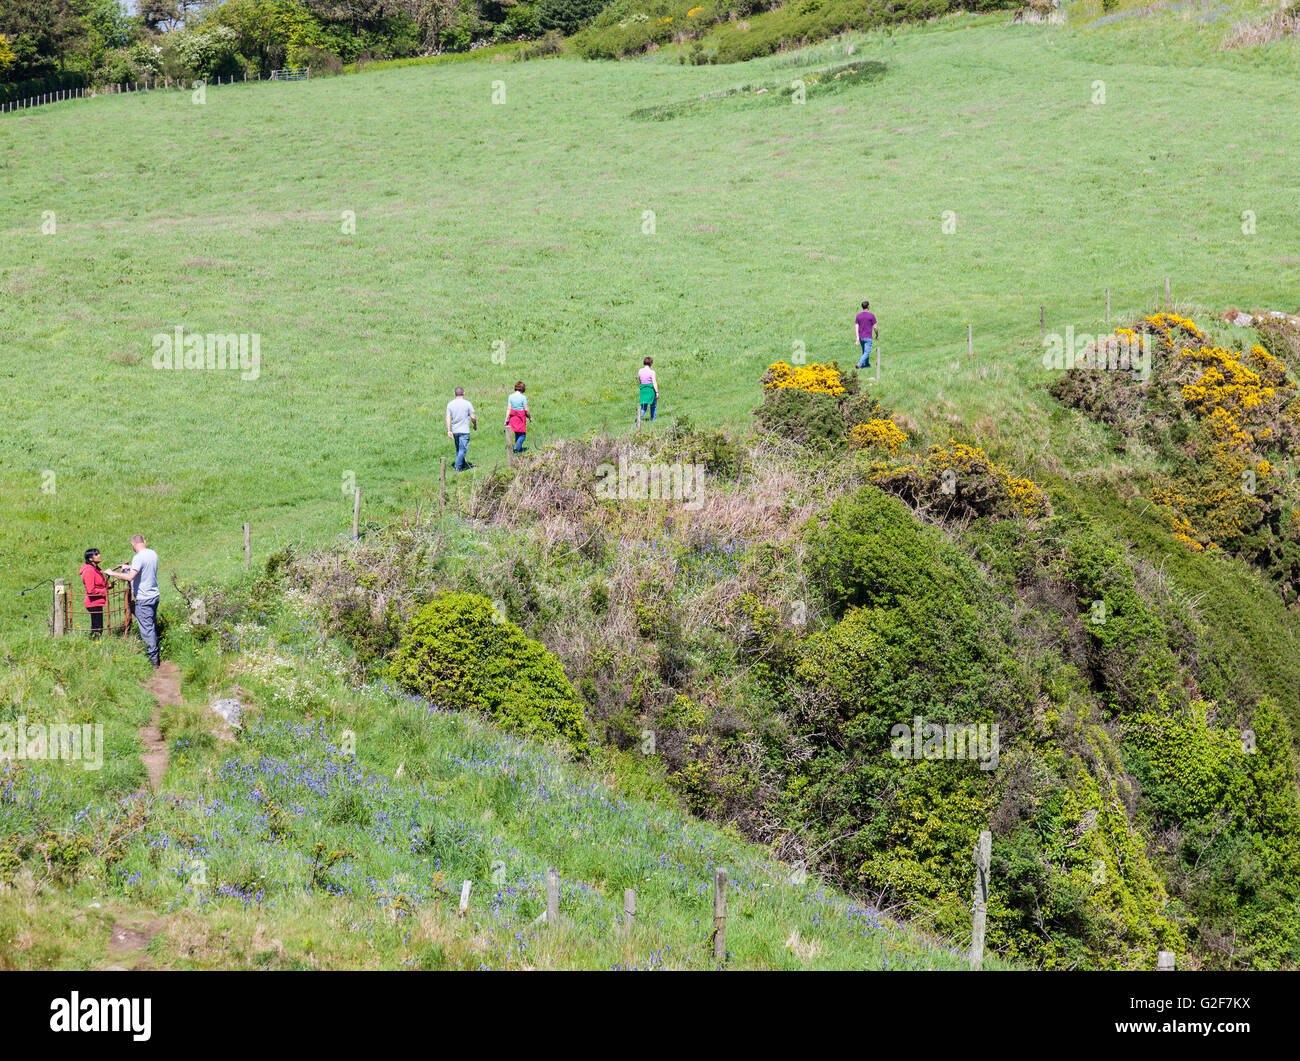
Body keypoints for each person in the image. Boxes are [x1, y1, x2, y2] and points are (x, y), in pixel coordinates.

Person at [106, 534, 160, 668]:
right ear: (144, 542)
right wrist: (129, 568)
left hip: (144, 598)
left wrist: (113, 574)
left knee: (147, 629)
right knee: (150, 624)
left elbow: (130, 578)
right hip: (154, 595)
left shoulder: (138, 557)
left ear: (133, 545)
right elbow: (143, 569)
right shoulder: (152, 553)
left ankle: (153, 660)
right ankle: (154, 652)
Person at [445, 386, 477, 471]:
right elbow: (473, 417)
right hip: (464, 430)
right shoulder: (467, 403)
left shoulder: (450, 404)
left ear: (454, 394)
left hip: (455, 430)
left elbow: (448, 418)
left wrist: (449, 430)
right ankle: (458, 466)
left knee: (459, 449)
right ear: (464, 393)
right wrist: (474, 424)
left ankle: (462, 465)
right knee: (463, 449)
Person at [80, 548, 108, 639]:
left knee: (98, 627)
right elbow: (90, 590)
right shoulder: (89, 571)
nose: (99, 555)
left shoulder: (95, 569)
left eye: (98, 553)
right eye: (96, 554)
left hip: (97, 601)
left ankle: (94, 642)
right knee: (97, 628)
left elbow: (98, 585)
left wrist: (108, 586)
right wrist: (105, 591)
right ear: (90, 559)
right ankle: (93, 642)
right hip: (93, 602)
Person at [506, 381, 531, 453]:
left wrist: (506, 419)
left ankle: (517, 452)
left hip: (513, 418)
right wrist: (530, 417)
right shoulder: (523, 397)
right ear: (523, 388)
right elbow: (526, 409)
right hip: (520, 418)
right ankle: (516, 447)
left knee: (517, 433)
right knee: (522, 435)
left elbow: (509, 408)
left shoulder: (510, 396)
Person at [855, 300, 878, 369]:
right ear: (868, 307)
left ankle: (867, 365)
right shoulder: (871, 316)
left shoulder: (858, 316)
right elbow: (875, 327)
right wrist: (877, 335)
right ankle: (859, 364)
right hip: (868, 337)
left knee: (864, 352)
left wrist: (857, 337)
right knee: (867, 352)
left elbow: (856, 327)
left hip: (861, 337)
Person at [637, 357, 659, 427]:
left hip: (643, 390)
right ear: (651, 363)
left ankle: (638, 419)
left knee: (643, 407)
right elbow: (654, 382)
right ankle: (653, 419)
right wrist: (657, 392)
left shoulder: (640, 371)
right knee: (653, 405)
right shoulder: (652, 372)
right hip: (650, 390)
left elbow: (639, 380)